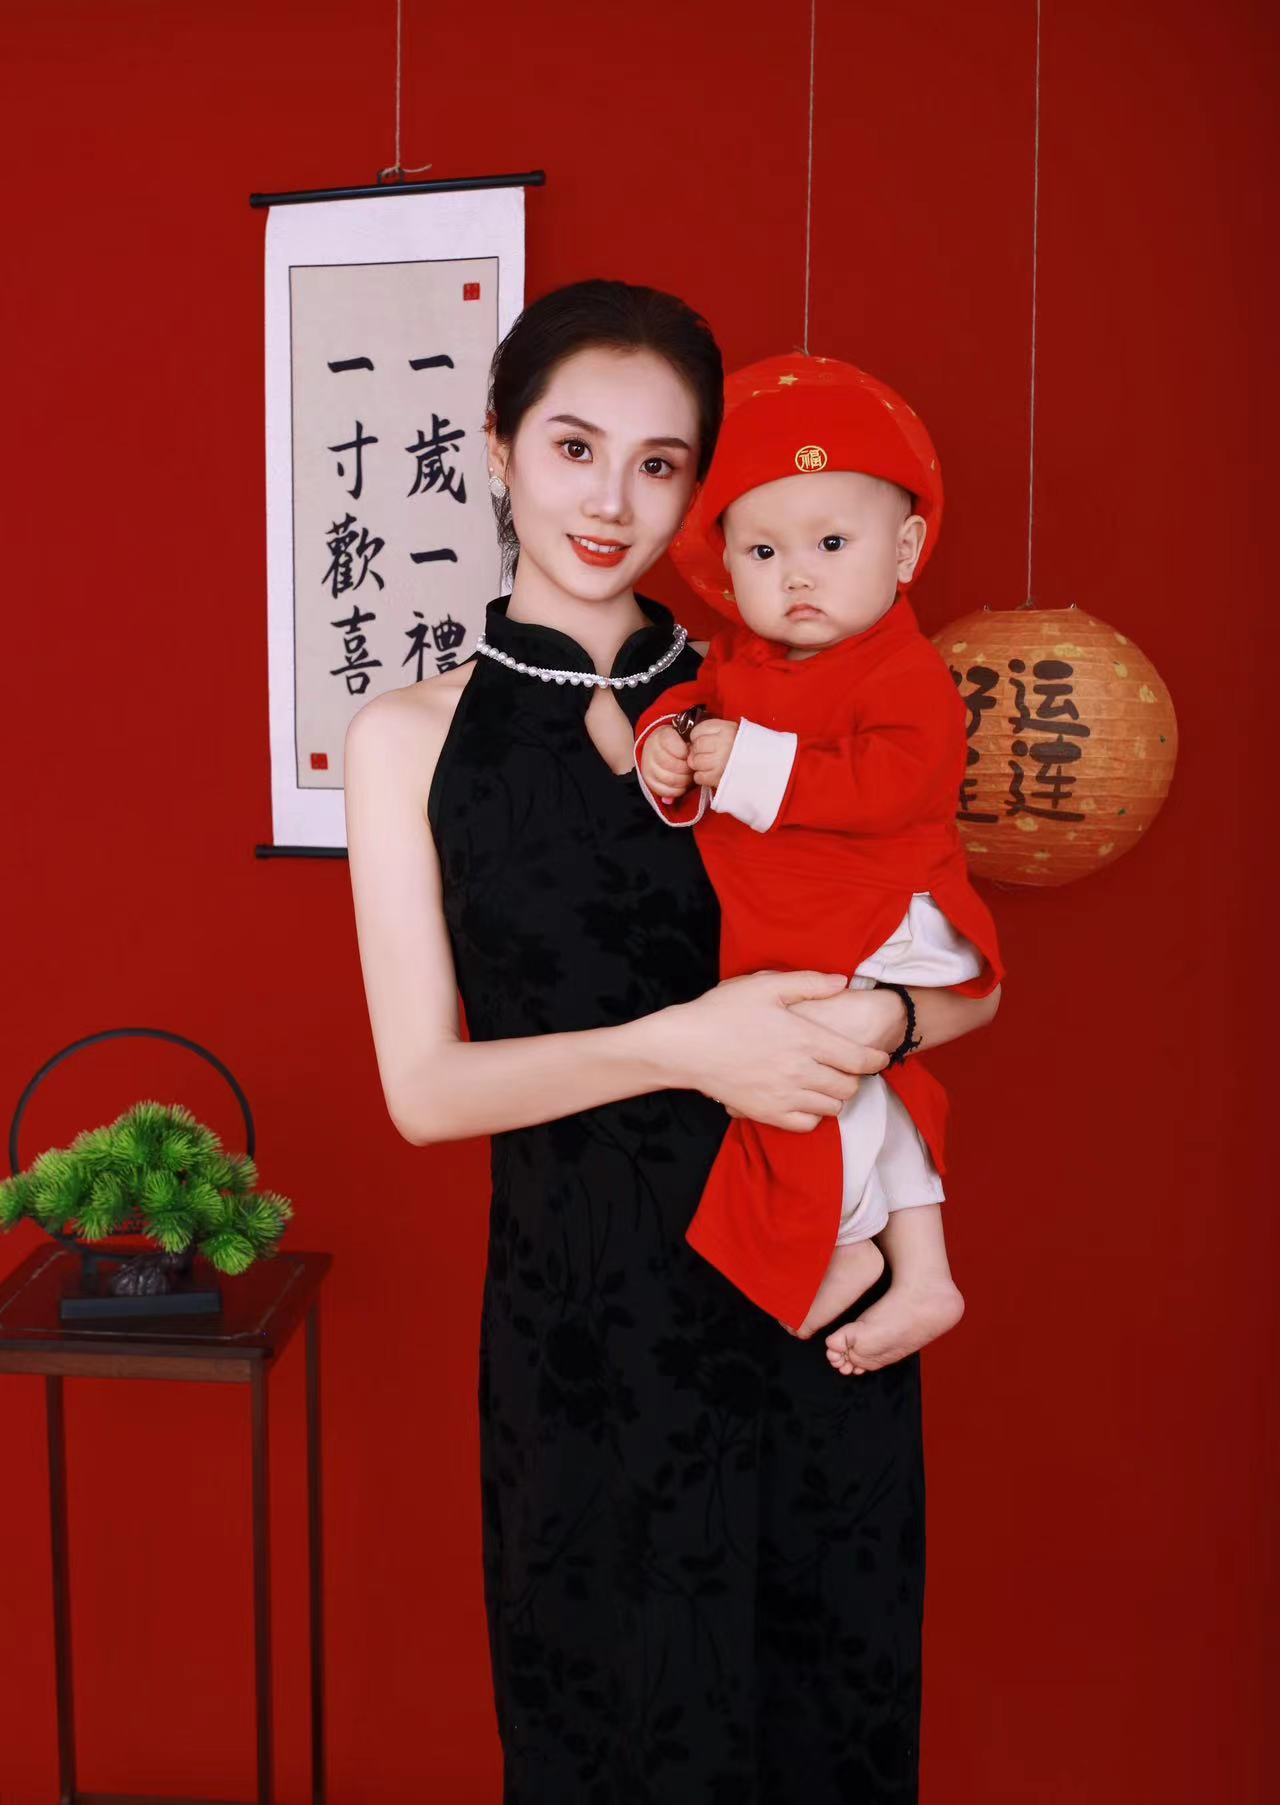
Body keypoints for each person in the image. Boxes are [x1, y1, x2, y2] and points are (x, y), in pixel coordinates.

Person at [344, 279, 1001, 1803]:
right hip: (583, 1345)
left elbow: (961, 972)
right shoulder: (411, 739)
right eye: (575, 448)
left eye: (661, 464)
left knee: (823, 1741)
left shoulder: (778, 688)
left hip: (813, 1313)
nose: (612, 502)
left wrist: (889, 1014)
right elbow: (425, 1091)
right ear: (497, 446)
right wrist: (690, 1043)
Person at [635, 355, 1003, 1375]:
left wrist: (751, 761)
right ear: (726, 565)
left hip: (887, 907)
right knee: (863, 1082)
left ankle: (833, 1241)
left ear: (904, 549)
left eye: (831, 543)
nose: (796, 574)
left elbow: (895, 783)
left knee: (798, 1069)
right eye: (763, 550)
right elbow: (695, 708)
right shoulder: (736, 661)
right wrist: (670, 742)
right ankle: (921, 1270)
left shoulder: (905, 671)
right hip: (809, 917)